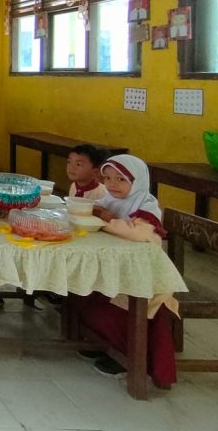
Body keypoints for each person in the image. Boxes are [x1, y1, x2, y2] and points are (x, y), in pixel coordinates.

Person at [76, 155, 177, 385]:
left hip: (143, 279)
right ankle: (105, 345)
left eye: (121, 179)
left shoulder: (146, 205)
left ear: (137, 181)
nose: (112, 184)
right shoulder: (110, 200)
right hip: (118, 269)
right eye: (108, 178)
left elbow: (138, 233)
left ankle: (127, 355)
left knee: (111, 312)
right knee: (82, 296)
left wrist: (105, 223)